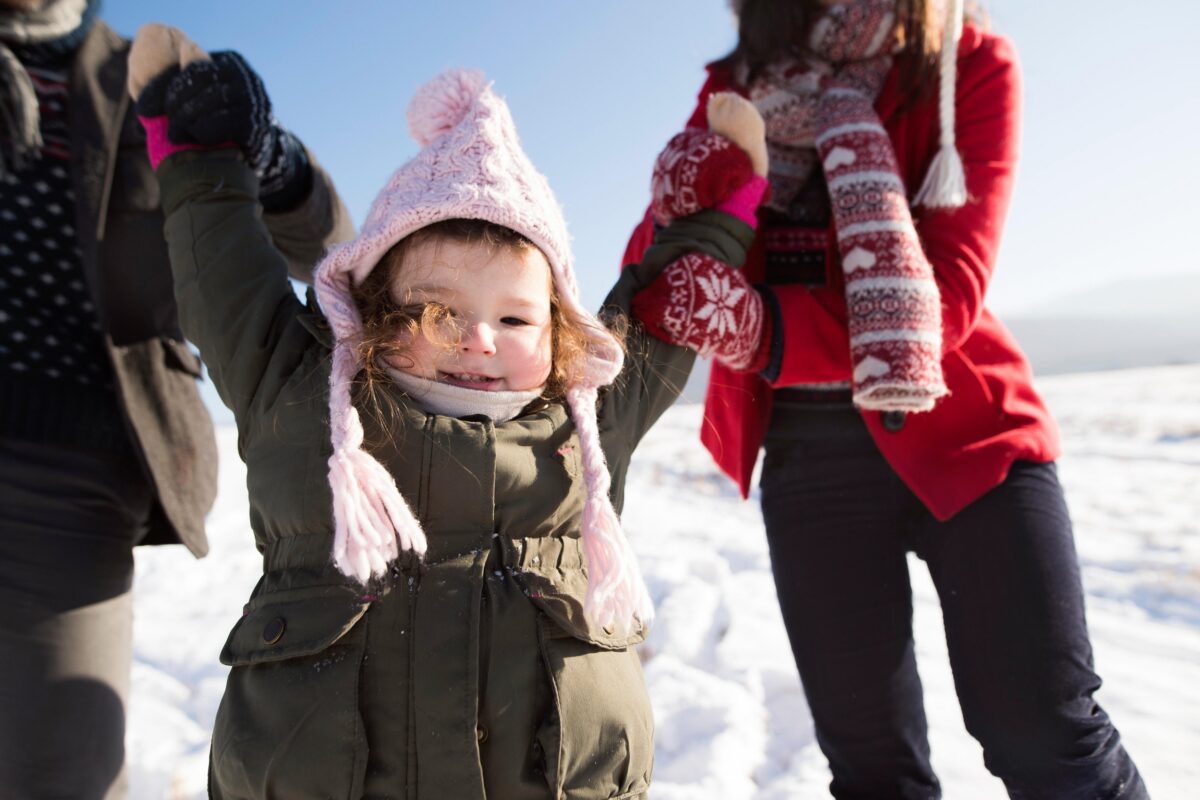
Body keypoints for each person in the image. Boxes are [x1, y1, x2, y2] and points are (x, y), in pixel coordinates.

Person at [128, 23, 768, 798]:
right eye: (438, 311)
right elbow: (225, 278)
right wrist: (198, 157)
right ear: (374, 312)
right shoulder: (300, 394)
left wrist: (717, 214)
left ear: (561, 328)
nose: (479, 340)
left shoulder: (587, 416)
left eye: (516, 318)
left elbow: (662, 309)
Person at [625, 0, 1149, 797]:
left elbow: (949, 291)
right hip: (806, 457)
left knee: (1047, 736)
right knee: (872, 771)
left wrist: (758, 327)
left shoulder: (963, 64)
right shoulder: (737, 88)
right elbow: (664, 263)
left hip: (966, 434)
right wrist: (693, 180)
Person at [0, 2, 352, 797]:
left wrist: (266, 155)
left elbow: (329, 248)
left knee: (60, 775)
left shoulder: (151, 80)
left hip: (64, 472)